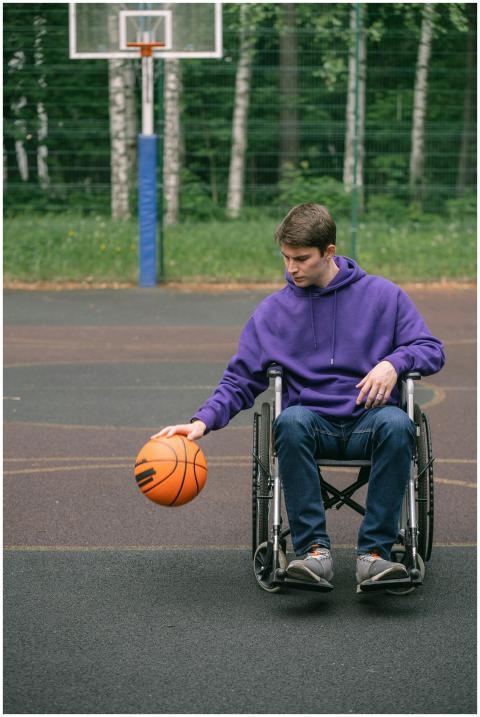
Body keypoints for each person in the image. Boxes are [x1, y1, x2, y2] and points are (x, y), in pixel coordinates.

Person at [152, 203, 445, 591]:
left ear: (329, 251)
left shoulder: (384, 297)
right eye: (286, 258)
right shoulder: (273, 312)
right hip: (312, 424)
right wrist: (201, 421)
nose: (291, 268)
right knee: (288, 420)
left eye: (301, 258)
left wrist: (394, 363)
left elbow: (431, 348)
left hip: (370, 421)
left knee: (398, 423)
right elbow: (240, 379)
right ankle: (313, 554)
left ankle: (374, 555)